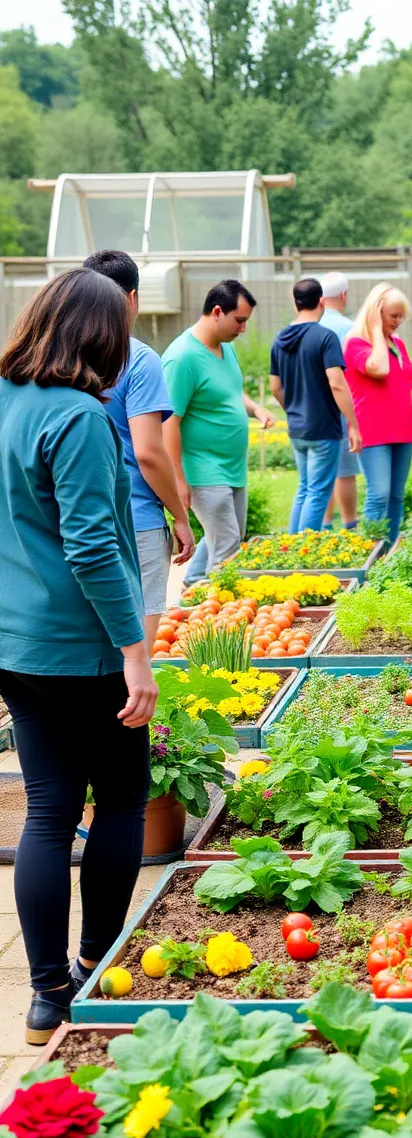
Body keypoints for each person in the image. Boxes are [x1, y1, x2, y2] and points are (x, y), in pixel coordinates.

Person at [0, 269, 157, 1044]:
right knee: (123, 798)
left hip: (15, 645)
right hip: (83, 647)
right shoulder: (80, 418)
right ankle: (96, 969)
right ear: (103, 337)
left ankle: (45, 997)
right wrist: (136, 652)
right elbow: (94, 547)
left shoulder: (3, 401)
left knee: (49, 810)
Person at [82, 251, 195, 647]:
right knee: (137, 646)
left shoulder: (59, 356)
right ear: (131, 298)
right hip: (136, 517)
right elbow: (148, 452)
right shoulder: (138, 358)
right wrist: (180, 517)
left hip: (75, 514)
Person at [162, 280, 274, 586]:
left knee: (225, 535)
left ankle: (193, 583)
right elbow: (167, 422)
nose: (243, 330)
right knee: (228, 546)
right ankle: (222, 620)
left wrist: (255, 409)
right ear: (216, 312)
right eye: (239, 321)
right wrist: (178, 479)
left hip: (232, 468)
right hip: (203, 470)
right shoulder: (182, 358)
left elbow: (231, 392)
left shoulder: (225, 348)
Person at [269, 277, 361, 533]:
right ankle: (302, 552)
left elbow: (275, 387)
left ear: (295, 303)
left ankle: (291, 547)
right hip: (323, 428)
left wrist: (293, 409)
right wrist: (353, 424)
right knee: (318, 492)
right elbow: (337, 383)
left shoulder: (280, 339)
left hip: (297, 428)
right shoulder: (325, 337)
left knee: (305, 488)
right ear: (321, 301)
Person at [344, 283, 412, 544]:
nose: (399, 321)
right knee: (378, 493)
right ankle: (371, 551)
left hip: (402, 431)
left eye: (401, 316)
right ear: (376, 313)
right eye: (393, 316)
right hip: (374, 431)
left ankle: (389, 550)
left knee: (396, 496)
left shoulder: (398, 344)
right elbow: (378, 369)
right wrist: (377, 330)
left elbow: (409, 386)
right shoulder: (356, 344)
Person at [318, 271, 360, 530]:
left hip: (312, 411)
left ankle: (323, 526)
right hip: (342, 408)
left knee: (320, 475)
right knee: (345, 473)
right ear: (343, 294)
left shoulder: (306, 327)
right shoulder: (350, 329)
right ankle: (350, 525)